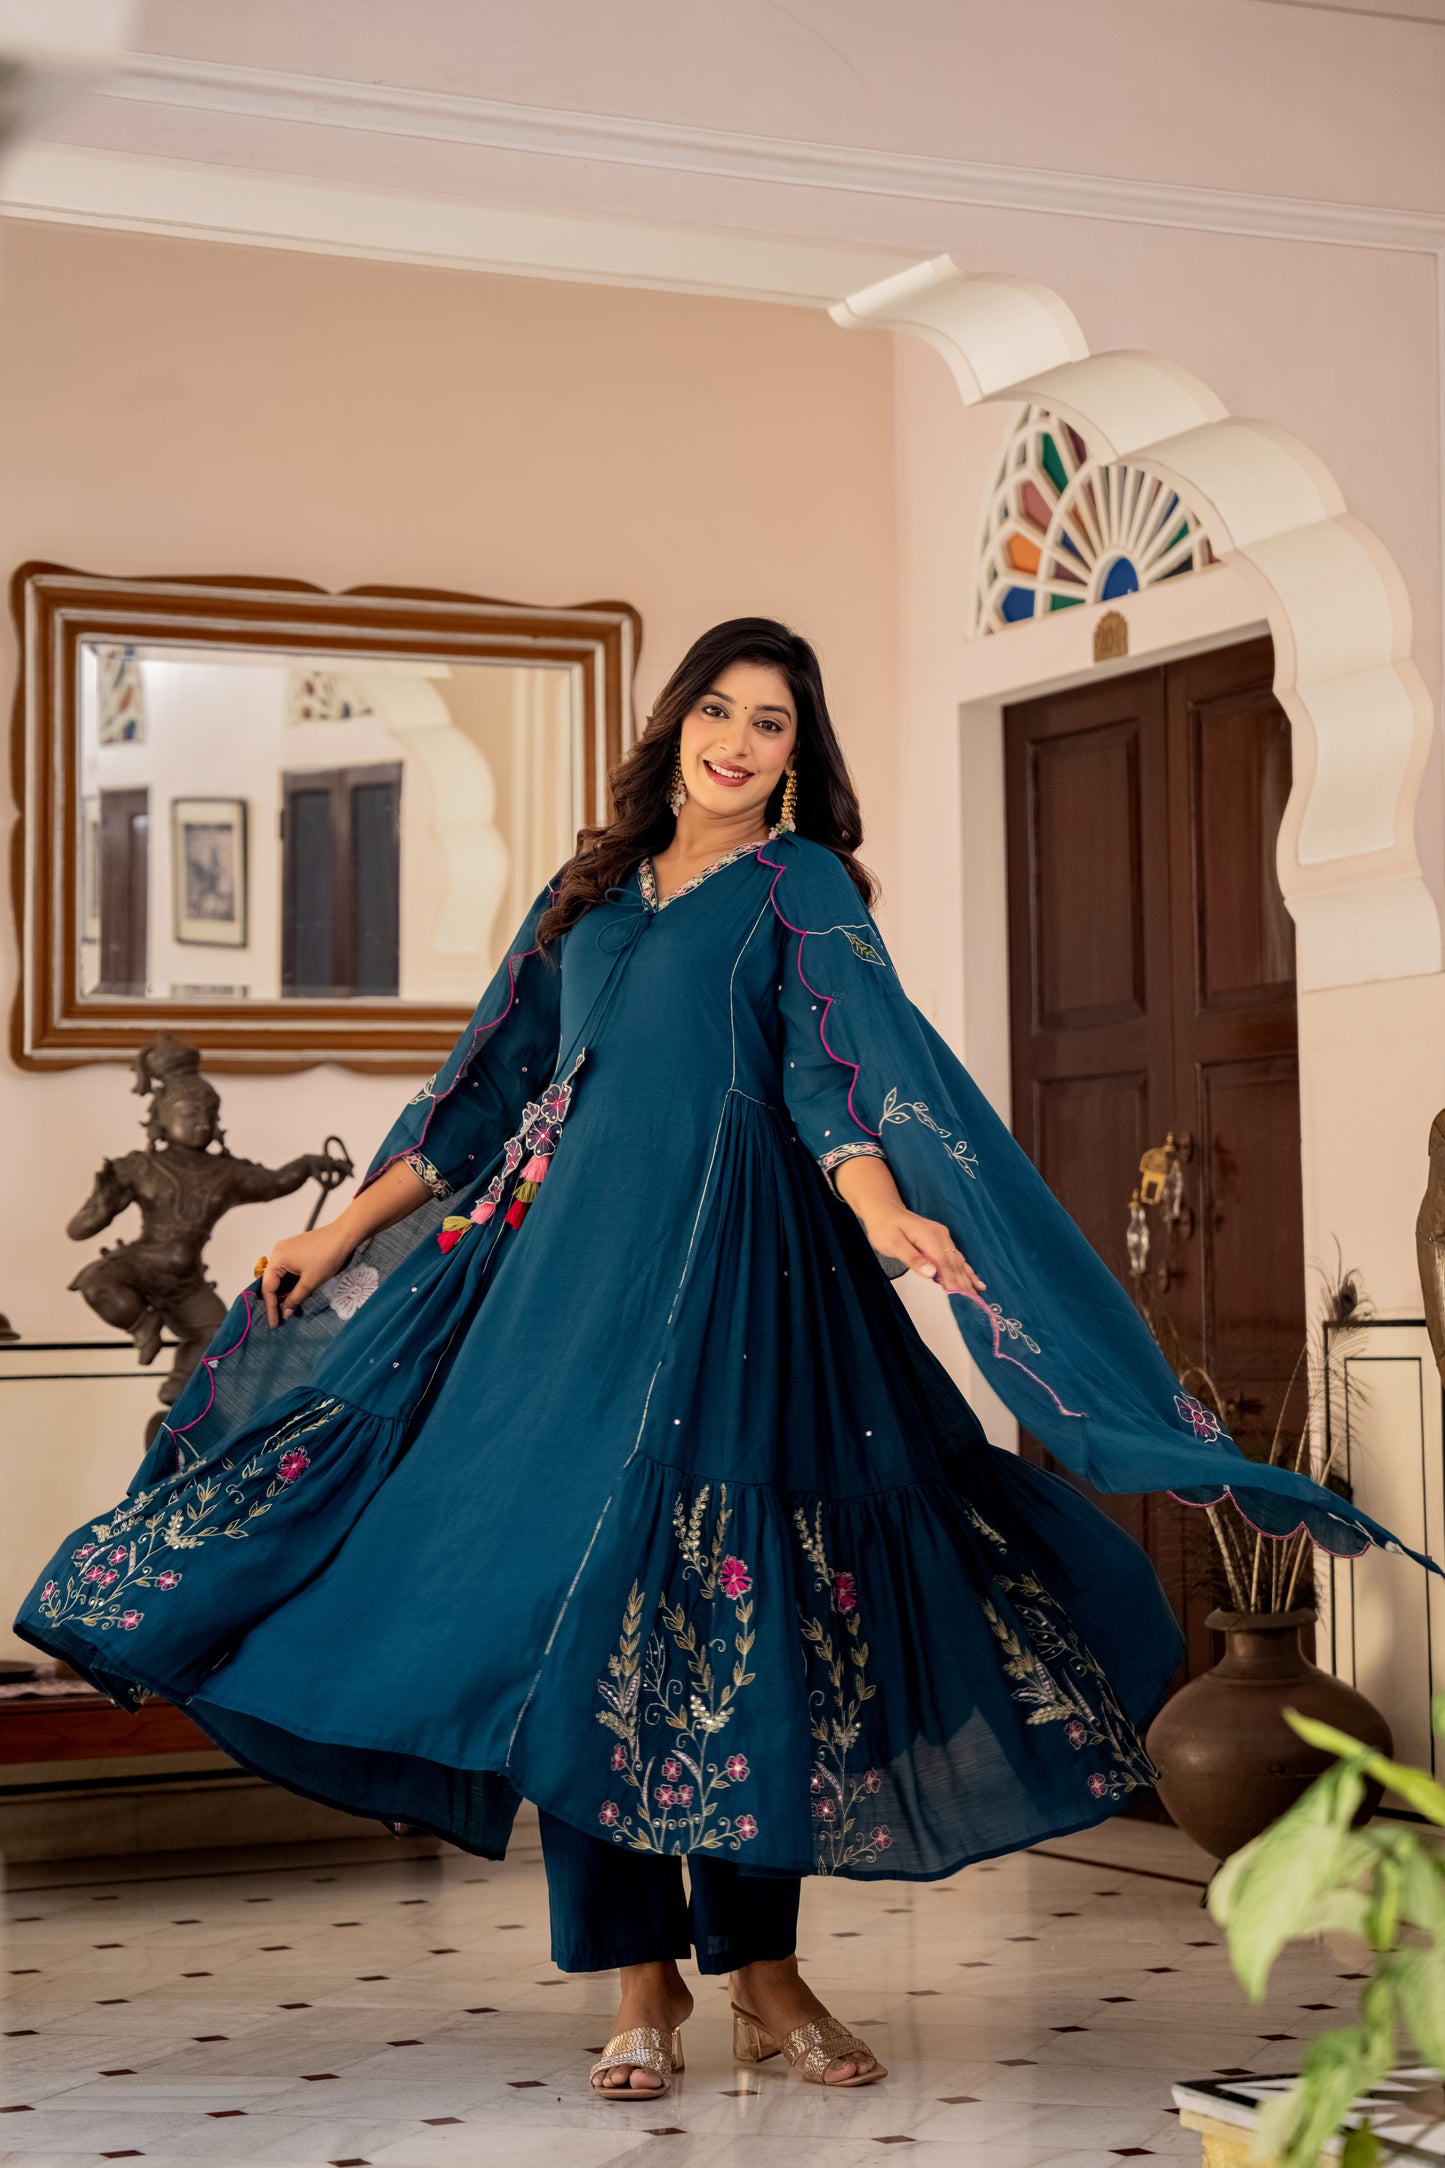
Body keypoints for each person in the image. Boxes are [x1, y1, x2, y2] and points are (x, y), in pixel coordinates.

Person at [17, 618, 1431, 2101]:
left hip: (743, 1283)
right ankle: (641, 1982)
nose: (739, 741)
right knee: (574, 1627)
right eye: (717, 709)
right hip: (562, 1289)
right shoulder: (588, 888)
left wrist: (881, 1209)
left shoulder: (796, 882)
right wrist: (339, 1229)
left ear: (798, 754)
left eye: (772, 722)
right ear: (674, 723)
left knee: (737, 1624)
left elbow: (835, 1071)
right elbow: (482, 1092)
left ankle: (763, 1974)